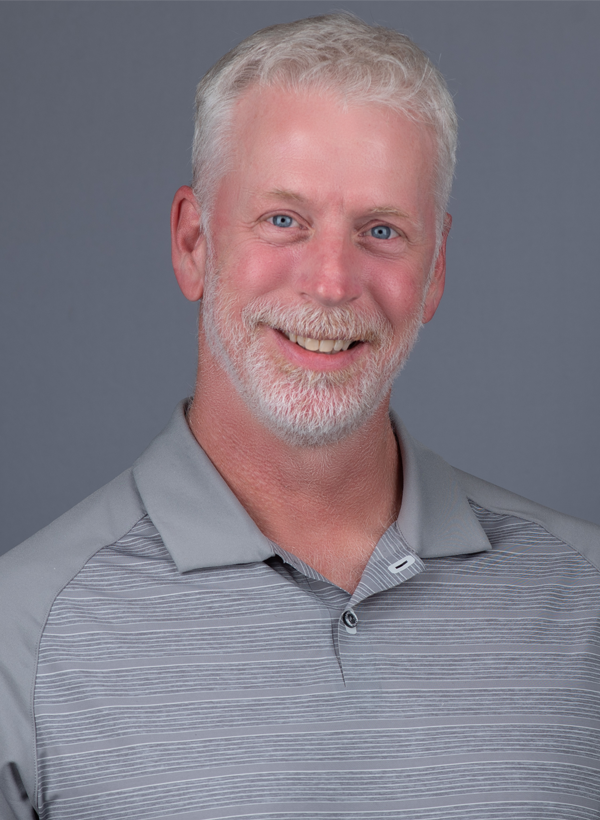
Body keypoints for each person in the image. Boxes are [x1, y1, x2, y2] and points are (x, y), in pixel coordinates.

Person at [1, 13, 599, 820]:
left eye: (382, 231)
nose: (330, 281)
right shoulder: (21, 633)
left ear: (435, 272)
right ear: (192, 243)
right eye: (284, 220)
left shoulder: (585, 602)